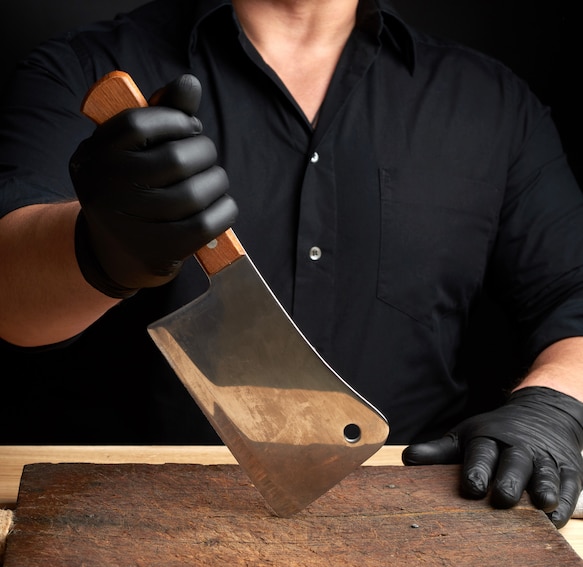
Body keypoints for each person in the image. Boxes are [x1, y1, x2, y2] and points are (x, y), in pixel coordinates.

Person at [1, 0, 582, 528]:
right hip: (124, 519)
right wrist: (99, 245)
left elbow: (574, 295)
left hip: (415, 522)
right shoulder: (79, 67)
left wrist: (554, 403)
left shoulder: (490, 102)